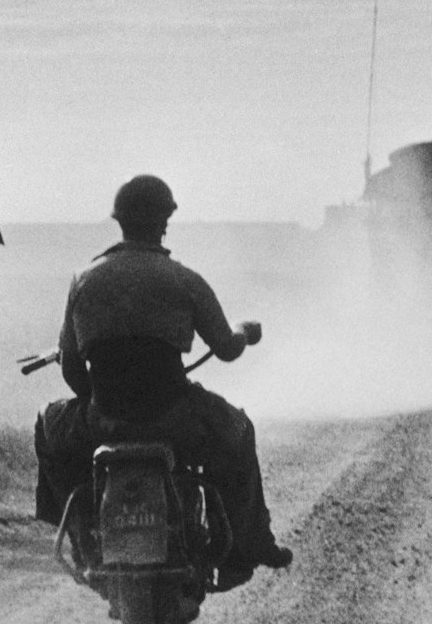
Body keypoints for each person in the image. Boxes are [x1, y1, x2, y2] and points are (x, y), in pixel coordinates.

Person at [35, 174, 292, 589]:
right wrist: (244, 331)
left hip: (105, 418)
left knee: (48, 427)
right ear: (165, 221)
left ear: (119, 221)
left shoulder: (83, 279)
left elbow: (70, 369)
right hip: (175, 418)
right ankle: (248, 547)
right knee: (240, 433)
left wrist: (102, 401)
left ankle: (82, 534)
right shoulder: (184, 278)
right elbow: (226, 349)